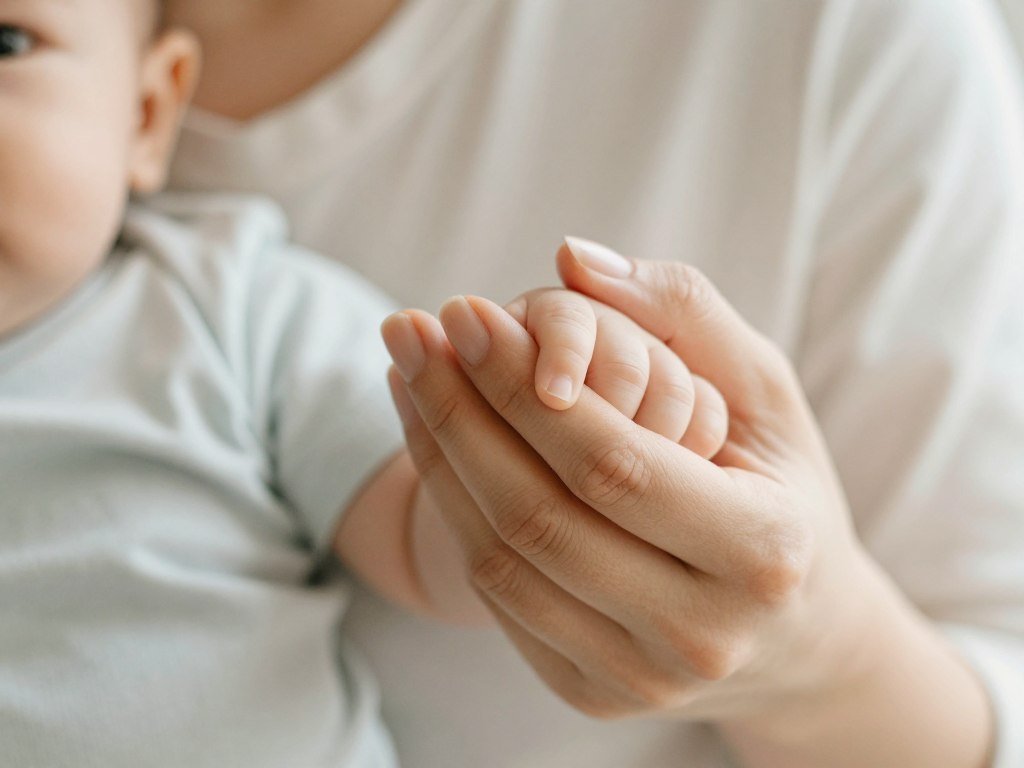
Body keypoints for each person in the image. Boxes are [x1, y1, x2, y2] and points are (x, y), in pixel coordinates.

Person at [165, 0, 1024, 766]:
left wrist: (819, 658)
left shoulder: (841, 32)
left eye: (22, 43)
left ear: (150, 103)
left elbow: (996, 666)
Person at [0, 1, 726, 765]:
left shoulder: (232, 309)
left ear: (146, 116)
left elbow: (446, 535)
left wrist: (561, 420)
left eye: (8, 41)